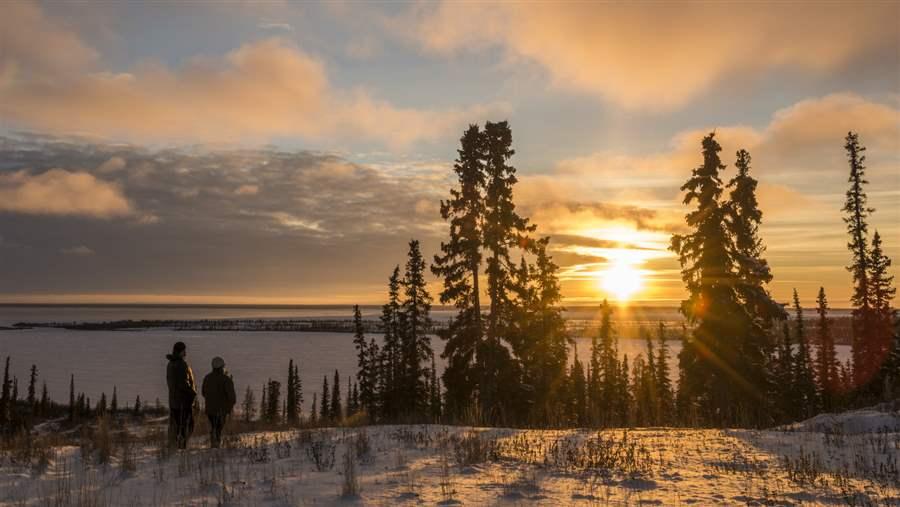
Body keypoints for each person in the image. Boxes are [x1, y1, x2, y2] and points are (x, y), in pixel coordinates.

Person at [166, 341, 196, 449]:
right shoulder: (182, 365)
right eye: (184, 351)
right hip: (183, 401)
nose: (185, 353)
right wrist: (192, 393)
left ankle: (175, 446)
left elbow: (170, 381)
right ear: (180, 351)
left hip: (173, 401)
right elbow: (183, 384)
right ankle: (181, 447)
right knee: (187, 425)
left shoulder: (170, 364)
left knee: (176, 426)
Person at [201, 356, 236, 448]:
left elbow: (203, 392)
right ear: (222, 367)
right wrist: (229, 407)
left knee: (214, 427)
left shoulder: (207, 378)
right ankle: (216, 446)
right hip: (222, 410)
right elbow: (232, 397)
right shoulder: (226, 380)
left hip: (210, 410)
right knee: (218, 428)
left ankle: (214, 444)